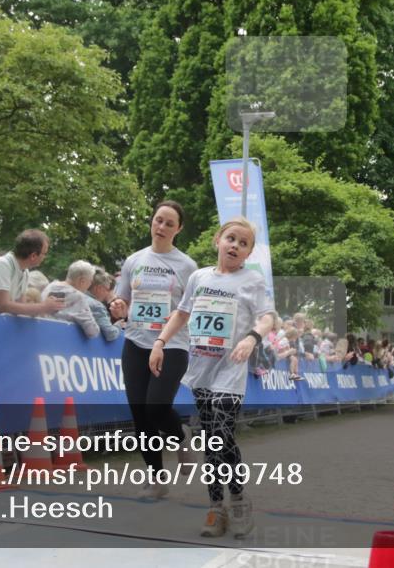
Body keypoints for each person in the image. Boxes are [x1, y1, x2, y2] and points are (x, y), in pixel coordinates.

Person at [151, 216, 274, 539]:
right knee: (214, 442)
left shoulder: (252, 281)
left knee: (219, 435)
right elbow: (181, 313)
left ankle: (236, 503)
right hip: (202, 370)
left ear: (248, 253)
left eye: (243, 243)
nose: (235, 245)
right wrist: (160, 343)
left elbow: (267, 318)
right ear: (217, 240)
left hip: (231, 371)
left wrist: (250, 339)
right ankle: (217, 507)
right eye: (231, 239)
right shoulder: (199, 277)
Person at [108, 201, 198, 497]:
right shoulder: (134, 260)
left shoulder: (187, 266)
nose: (161, 227)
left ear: (178, 229)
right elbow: (120, 303)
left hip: (172, 344)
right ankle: (157, 479)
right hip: (135, 342)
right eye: (158, 220)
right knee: (140, 414)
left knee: (156, 407)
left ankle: (181, 436)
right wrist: (118, 307)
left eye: (169, 223)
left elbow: (191, 310)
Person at [0, 229, 64, 316]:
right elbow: (2, 306)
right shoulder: (2, 264)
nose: (45, 257)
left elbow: (20, 307)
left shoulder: (24, 271)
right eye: (44, 253)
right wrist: (43, 307)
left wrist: (48, 308)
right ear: (33, 255)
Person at [42, 261, 101, 338]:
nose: (90, 284)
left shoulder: (51, 286)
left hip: (42, 333)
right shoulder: (77, 297)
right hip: (59, 341)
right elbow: (92, 331)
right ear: (82, 281)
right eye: (90, 281)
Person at [85, 269, 122, 341]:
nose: (108, 293)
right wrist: (119, 325)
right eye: (107, 290)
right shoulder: (96, 306)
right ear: (99, 288)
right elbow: (111, 334)